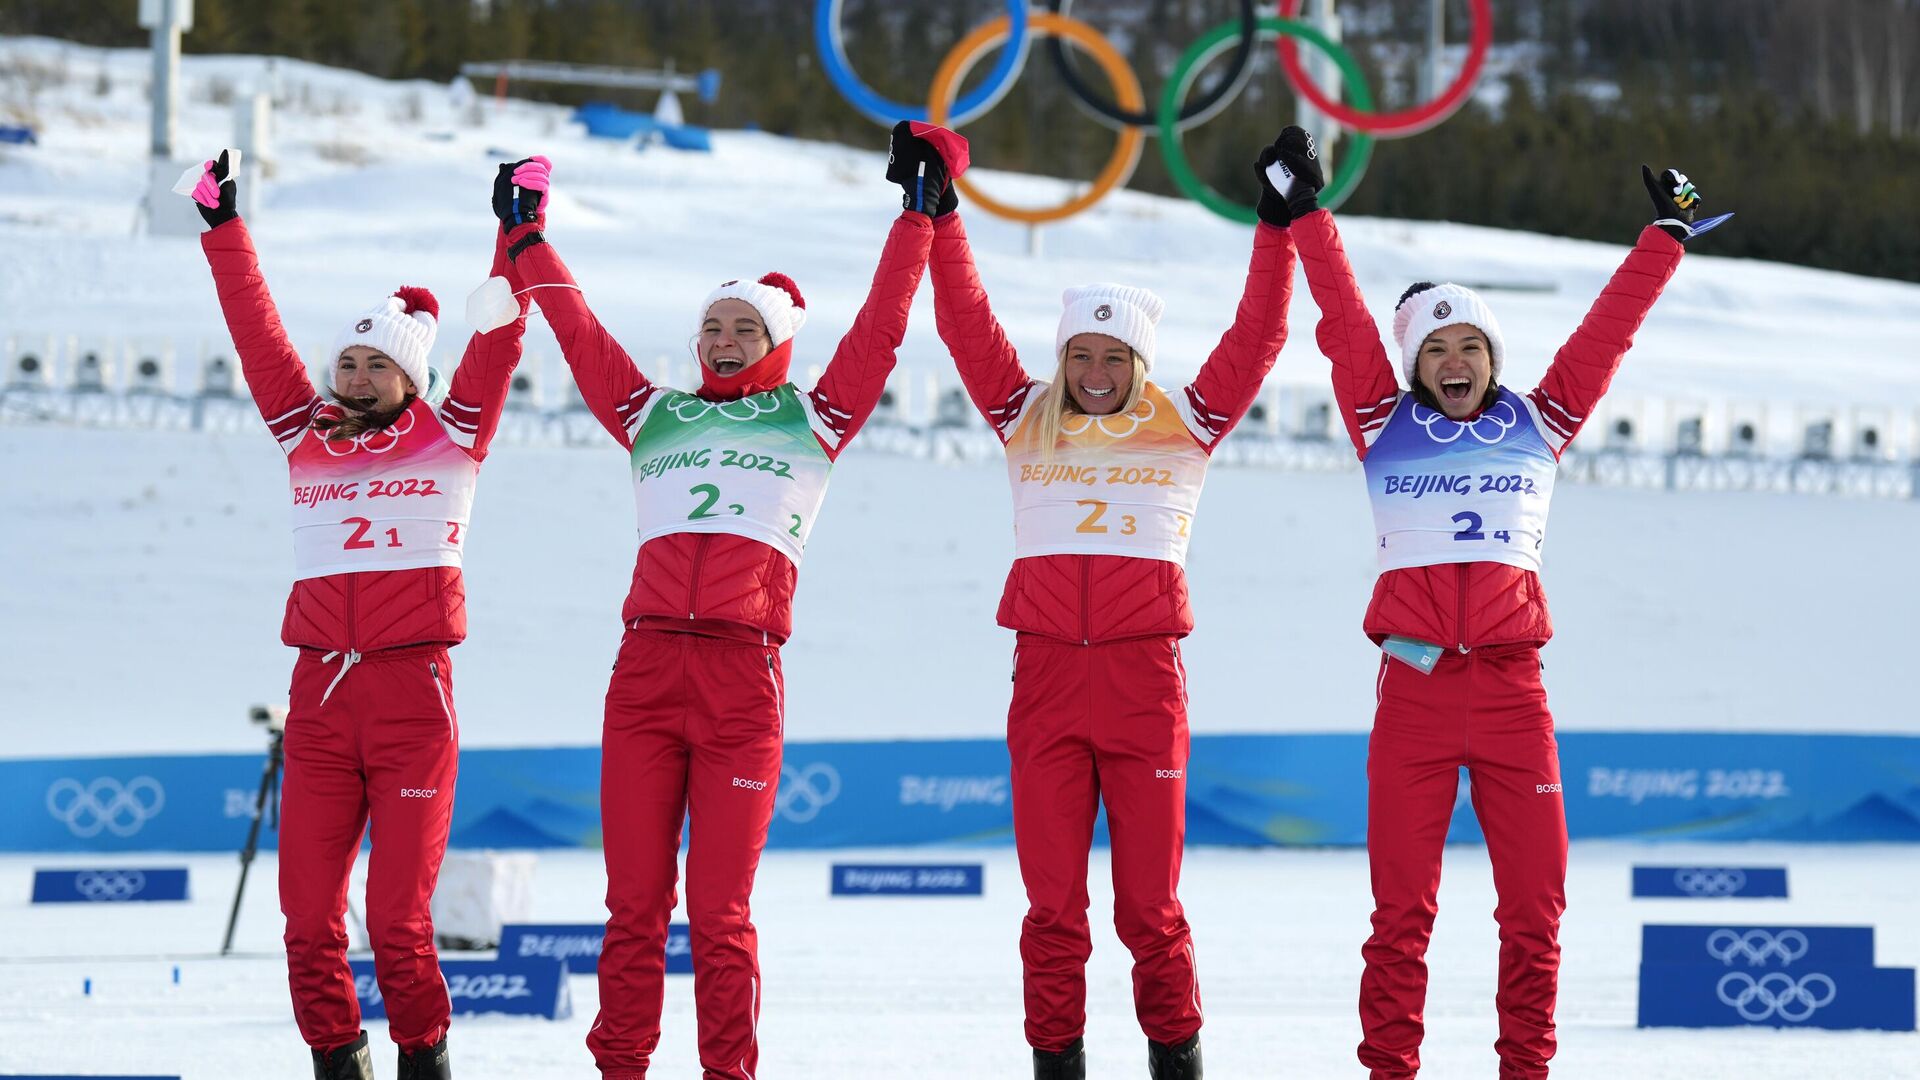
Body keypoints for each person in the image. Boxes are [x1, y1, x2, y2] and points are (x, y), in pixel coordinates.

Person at [493, 123, 962, 1079]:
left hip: (743, 677)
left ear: (777, 341)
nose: (721, 339)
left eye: (743, 327)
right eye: (711, 325)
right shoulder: (652, 411)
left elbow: (880, 327)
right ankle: (620, 1064)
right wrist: (528, 238)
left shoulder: (814, 416)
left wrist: (916, 220)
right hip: (647, 671)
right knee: (632, 904)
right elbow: (578, 332)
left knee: (720, 911)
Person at [1268, 126, 1728, 1079]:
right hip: (1415, 696)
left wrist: (1665, 239)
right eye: (1435, 347)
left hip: (1517, 698)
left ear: (1492, 355)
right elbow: (1345, 318)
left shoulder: (1542, 419)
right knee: (1400, 917)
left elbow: (1608, 334)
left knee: (1535, 914)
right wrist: (1309, 213)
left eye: (1470, 343)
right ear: (1413, 365)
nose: (1455, 358)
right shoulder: (1378, 419)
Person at [920, 127, 1307, 1079]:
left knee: (1149, 907)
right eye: (1080, 354)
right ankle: (1058, 1063)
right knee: (1052, 908)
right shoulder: (1024, 417)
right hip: (1047, 681)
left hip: (1144, 685)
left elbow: (1258, 337)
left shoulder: (1188, 425)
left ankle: (1177, 1060)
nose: (1094, 371)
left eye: (1113, 356)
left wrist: (1275, 226)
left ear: (1140, 361)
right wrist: (942, 216)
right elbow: (965, 322)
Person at [190, 150, 533, 1080]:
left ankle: (424, 1056)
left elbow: (499, 335)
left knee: (397, 920)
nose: (352, 370)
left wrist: (517, 232)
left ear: (410, 377)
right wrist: (225, 231)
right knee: (305, 915)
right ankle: (337, 1059)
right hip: (319, 698)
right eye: (345, 356)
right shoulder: (302, 434)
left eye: (375, 361)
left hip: (412, 698)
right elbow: (256, 332)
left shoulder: (455, 431)